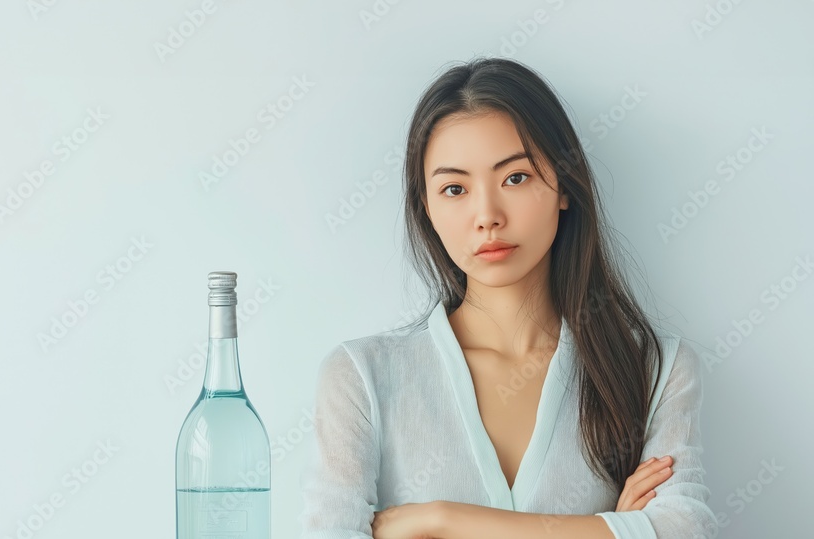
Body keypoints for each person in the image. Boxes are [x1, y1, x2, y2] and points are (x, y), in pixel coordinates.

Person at [299, 57, 718, 539]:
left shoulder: (656, 368)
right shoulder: (360, 376)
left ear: (564, 185)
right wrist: (618, 528)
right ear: (427, 209)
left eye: (515, 178)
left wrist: (440, 519)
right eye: (454, 188)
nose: (487, 216)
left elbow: (686, 529)